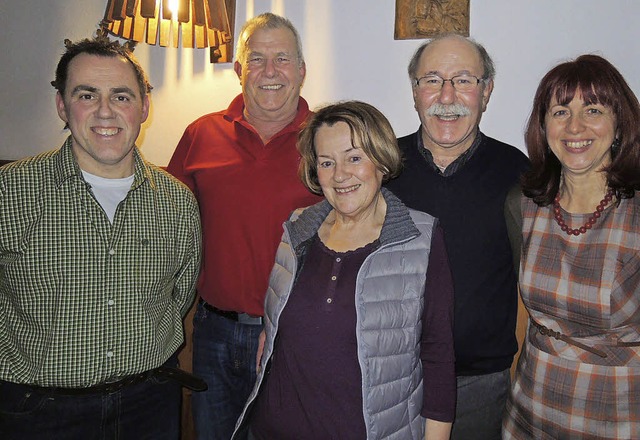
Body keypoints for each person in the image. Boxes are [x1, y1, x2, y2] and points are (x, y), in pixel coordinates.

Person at [0, 32, 202, 439]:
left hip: (149, 405)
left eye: (122, 96)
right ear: (62, 105)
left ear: (144, 106)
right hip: (36, 410)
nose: (105, 112)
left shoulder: (178, 203)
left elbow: (180, 296)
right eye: (87, 95)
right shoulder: (9, 191)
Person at [231, 100, 456, 440]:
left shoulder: (420, 239)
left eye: (354, 157)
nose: (339, 175)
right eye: (326, 162)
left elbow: (438, 356)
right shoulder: (296, 231)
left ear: (380, 161)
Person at [167, 13, 322, 439]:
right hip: (212, 332)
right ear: (238, 71)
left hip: (294, 334)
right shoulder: (201, 133)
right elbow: (166, 222)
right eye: (256, 60)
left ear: (302, 71)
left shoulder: (328, 139)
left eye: (283, 59)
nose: (270, 72)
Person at [385, 34, 530, 439]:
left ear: (486, 93)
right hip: (391, 379)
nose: (446, 95)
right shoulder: (381, 168)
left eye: (464, 80)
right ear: (414, 91)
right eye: (431, 80)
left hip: (481, 386)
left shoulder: (519, 173)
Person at [503, 55, 640, 439]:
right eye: (560, 111)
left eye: (592, 109)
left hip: (618, 413)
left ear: (618, 125)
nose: (574, 126)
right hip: (532, 406)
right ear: (543, 126)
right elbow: (522, 314)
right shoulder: (523, 204)